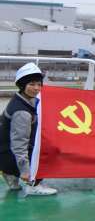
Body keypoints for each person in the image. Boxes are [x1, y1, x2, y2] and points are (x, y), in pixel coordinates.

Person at [0, 63, 57, 196]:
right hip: (10, 154)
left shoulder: (21, 99)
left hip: (4, 153)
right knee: (50, 151)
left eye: (39, 84)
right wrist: (25, 171)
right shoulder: (22, 112)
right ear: (22, 85)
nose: (36, 88)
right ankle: (33, 185)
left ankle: (10, 173)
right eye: (31, 84)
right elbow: (19, 144)